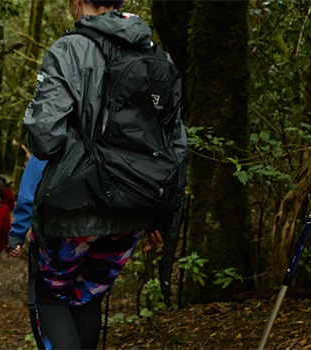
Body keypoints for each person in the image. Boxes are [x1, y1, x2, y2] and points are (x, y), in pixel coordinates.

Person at [20, 1, 187, 348]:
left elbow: (44, 137)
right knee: (87, 298)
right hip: (135, 209)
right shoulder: (161, 57)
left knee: (51, 297)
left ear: (78, 4)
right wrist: (162, 214)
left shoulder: (69, 48)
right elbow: (175, 144)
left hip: (75, 206)